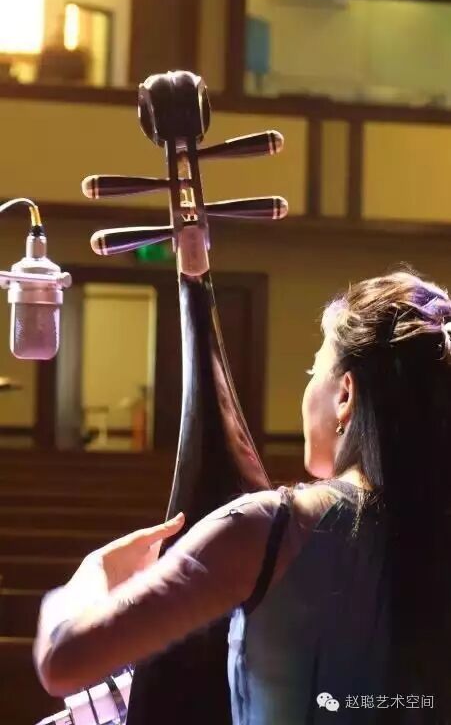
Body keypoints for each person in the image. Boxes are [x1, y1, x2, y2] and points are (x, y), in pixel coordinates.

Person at [33, 269, 451, 723]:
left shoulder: (269, 529)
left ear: (345, 395)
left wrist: (95, 572)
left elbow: (63, 659)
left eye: (314, 370)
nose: (308, 385)